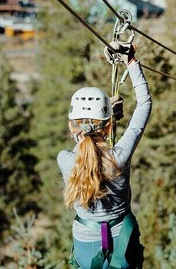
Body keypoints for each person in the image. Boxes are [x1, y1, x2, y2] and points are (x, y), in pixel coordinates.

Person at [57, 41, 151, 269]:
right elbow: (144, 103)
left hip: (85, 242)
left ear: (72, 128)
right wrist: (131, 62)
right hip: (123, 240)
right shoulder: (119, 156)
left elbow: (87, 152)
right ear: (109, 127)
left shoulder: (65, 159)